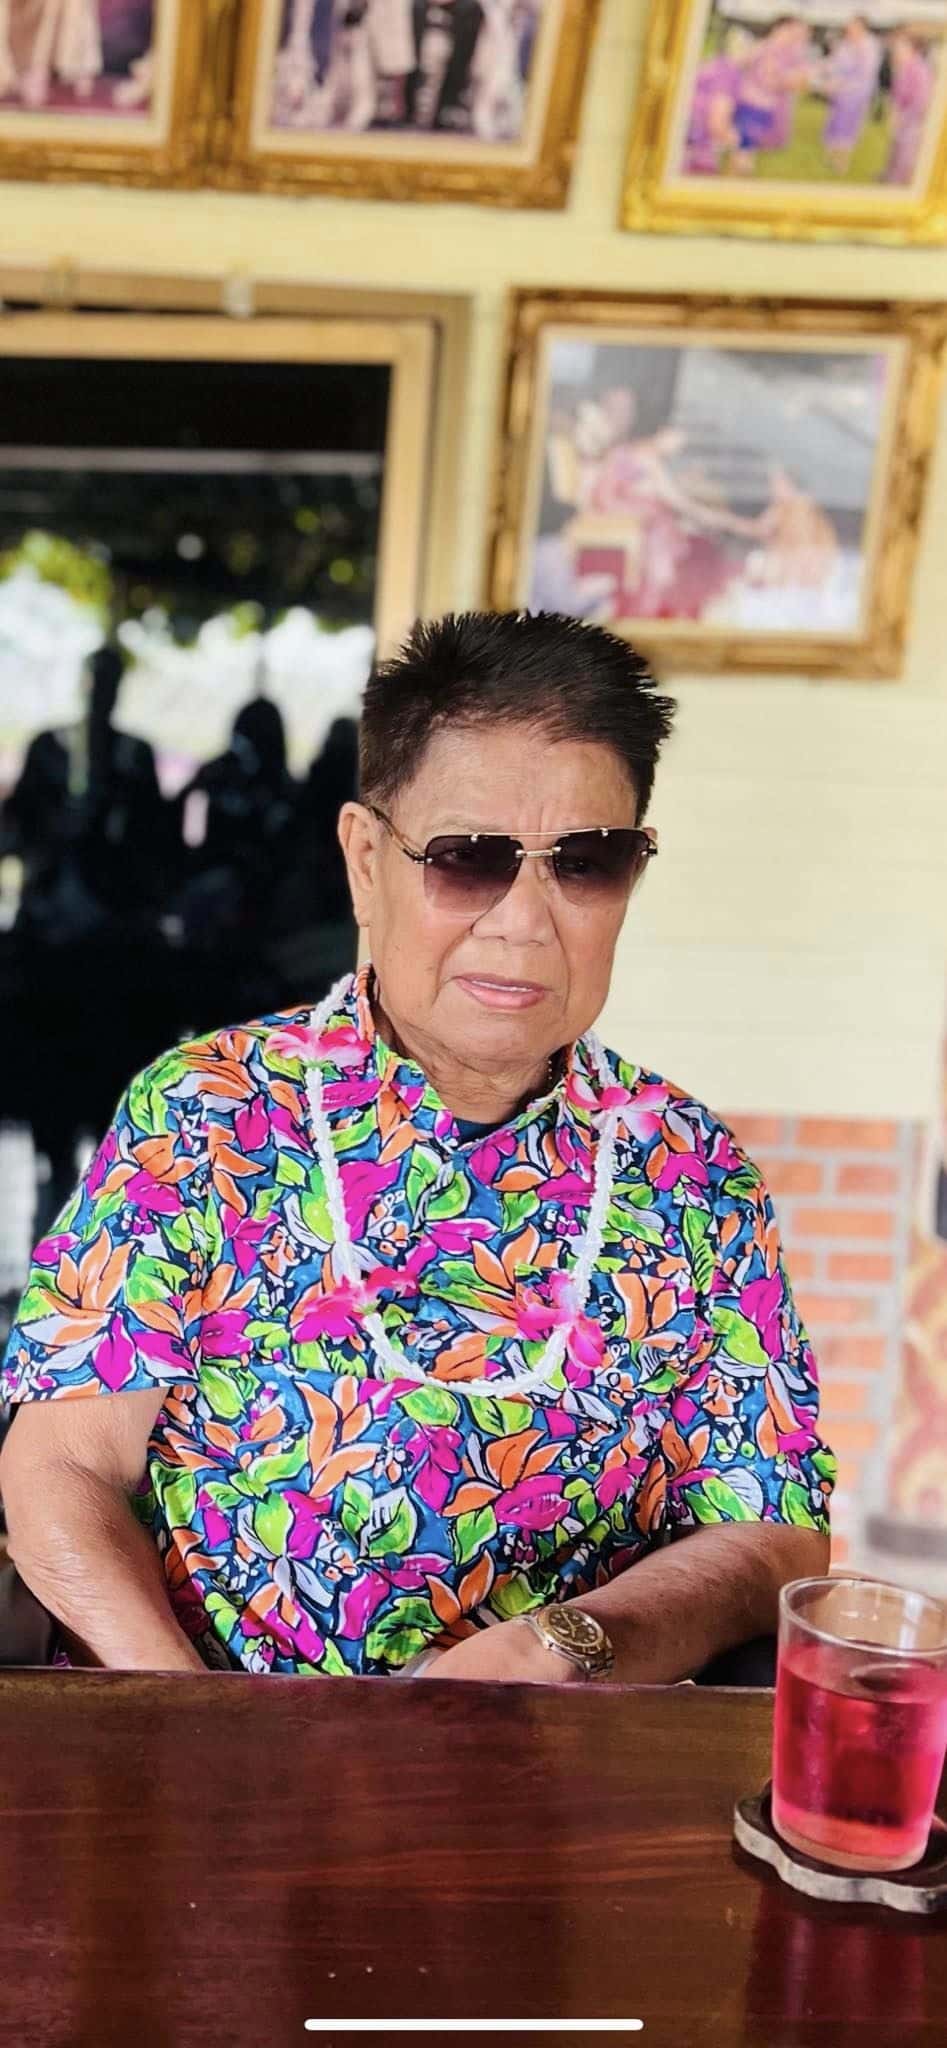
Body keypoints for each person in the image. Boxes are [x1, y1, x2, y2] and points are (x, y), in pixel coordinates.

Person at [0, 611, 834, 1681]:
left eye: (586, 861)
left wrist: (574, 1644)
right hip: (217, 1744)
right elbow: (63, 1467)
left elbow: (773, 1528)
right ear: (364, 860)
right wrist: (197, 1729)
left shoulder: (690, 1168)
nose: (525, 919)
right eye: (467, 858)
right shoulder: (209, 1114)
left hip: (558, 1759)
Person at [819, 15, 882, 176]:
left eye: (853, 26)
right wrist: (824, 73)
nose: (849, 29)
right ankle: (830, 157)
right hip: (838, 93)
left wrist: (840, 84)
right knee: (834, 123)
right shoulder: (845, 44)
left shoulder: (869, 45)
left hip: (855, 94)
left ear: (862, 27)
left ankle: (841, 163)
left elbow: (866, 74)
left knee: (847, 127)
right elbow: (834, 64)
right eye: (849, 26)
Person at [884, 30, 934, 188]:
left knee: (905, 157)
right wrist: (894, 111)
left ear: (912, 48)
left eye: (900, 46)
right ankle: (890, 177)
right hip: (902, 120)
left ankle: (896, 185)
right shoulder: (904, 66)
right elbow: (897, 94)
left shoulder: (919, 69)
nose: (896, 49)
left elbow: (921, 101)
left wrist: (902, 117)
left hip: (912, 123)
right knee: (895, 150)